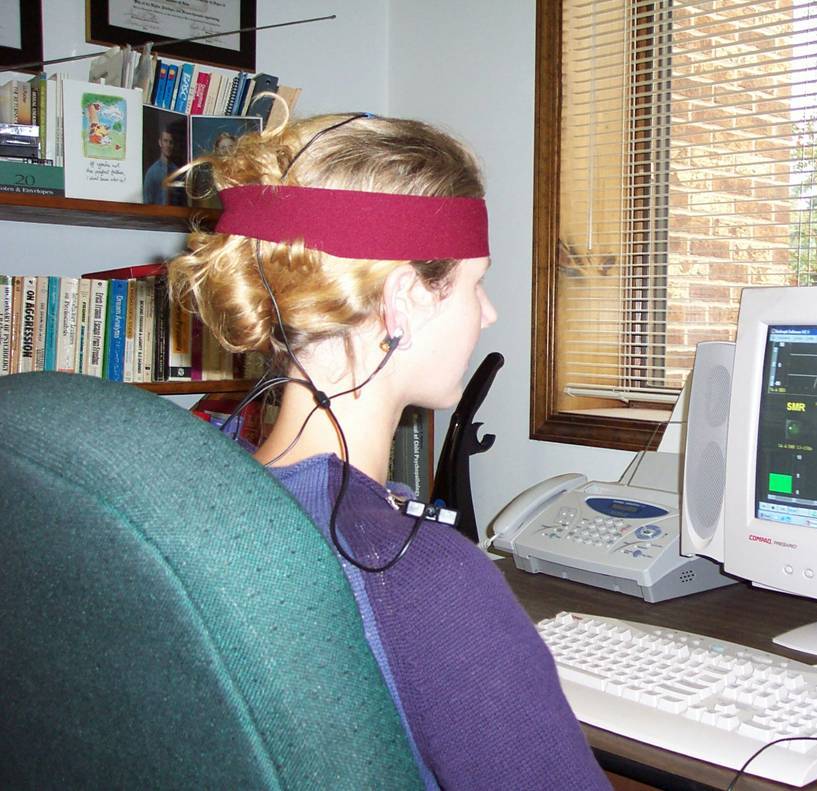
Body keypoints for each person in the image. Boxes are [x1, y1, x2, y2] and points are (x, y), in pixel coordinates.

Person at [167, 112, 611, 790]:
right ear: (403, 300)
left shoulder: (202, 496)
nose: (487, 313)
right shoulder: (418, 574)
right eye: (474, 284)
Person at [143, 121, 185, 206]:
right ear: (160, 143)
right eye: (165, 141)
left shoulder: (178, 173)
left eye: (171, 142)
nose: (168, 145)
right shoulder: (152, 173)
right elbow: (147, 202)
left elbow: (182, 202)